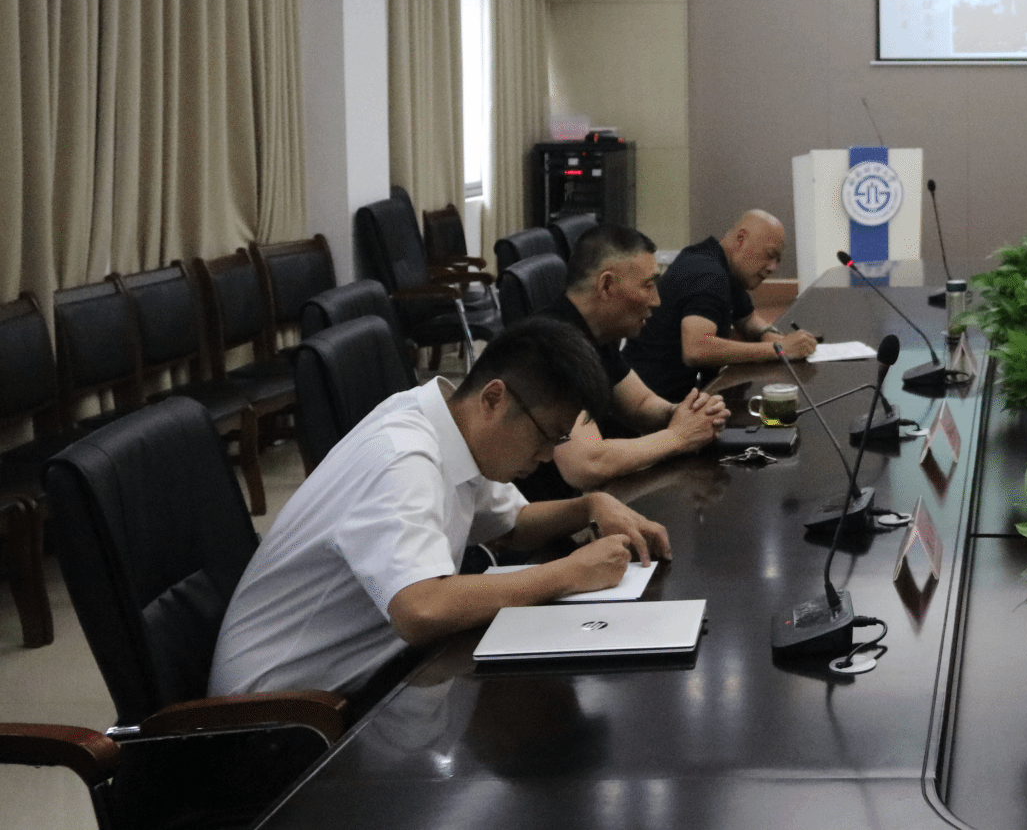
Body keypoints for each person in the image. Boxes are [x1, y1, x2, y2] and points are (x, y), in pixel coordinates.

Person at [209, 318, 670, 700]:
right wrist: (570, 573)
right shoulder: (402, 457)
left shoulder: (453, 426)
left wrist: (590, 505)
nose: (550, 455)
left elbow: (511, 525)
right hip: (276, 717)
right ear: (493, 399)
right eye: (547, 435)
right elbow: (421, 609)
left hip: (366, 679)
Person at [515, 223, 730, 501]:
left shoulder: (593, 332)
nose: (656, 301)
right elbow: (586, 464)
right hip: (531, 518)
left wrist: (685, 413)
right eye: (648, 285)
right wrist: (679, 437)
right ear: (606, 285)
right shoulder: (551, 346)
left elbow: (640, 405)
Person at [624, 209, 815, 401]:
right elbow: (697, 349)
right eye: (770, 255)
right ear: (741, 239)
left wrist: (767, 333)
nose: (773, 267)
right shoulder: (708, 273)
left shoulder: (721, 264)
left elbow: (748, 319)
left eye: (777, 260)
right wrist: (779, 349)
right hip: (651, 402)